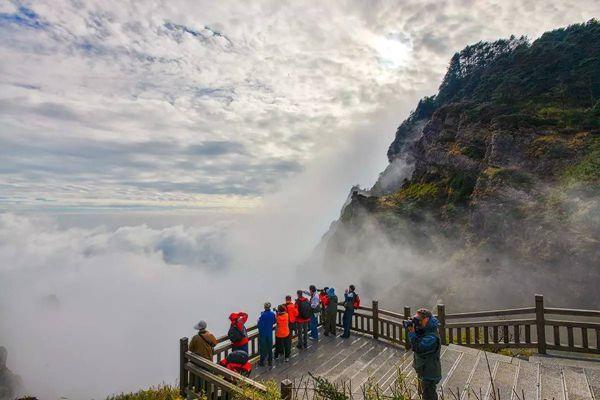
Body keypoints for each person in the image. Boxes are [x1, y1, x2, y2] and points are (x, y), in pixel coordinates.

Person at [408, 308, 442, 400]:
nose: (417, 322)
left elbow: (418, 348)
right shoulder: (426, 329)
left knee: (429, 395)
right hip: (423, 368)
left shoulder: (432, 337)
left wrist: (412, 333)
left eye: (419, 320)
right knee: (424, 393)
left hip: (429, 372)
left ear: (426, 319)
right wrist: (415, 329)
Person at [257, 302, 276, 367]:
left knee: (263, 348)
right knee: (270, 347)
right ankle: (270, 361)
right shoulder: (272, 314)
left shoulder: (263, 315)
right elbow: (274, 321)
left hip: (263, 334)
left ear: (265, 307)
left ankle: (262, 361)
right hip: (269, 333)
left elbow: (259, 325)